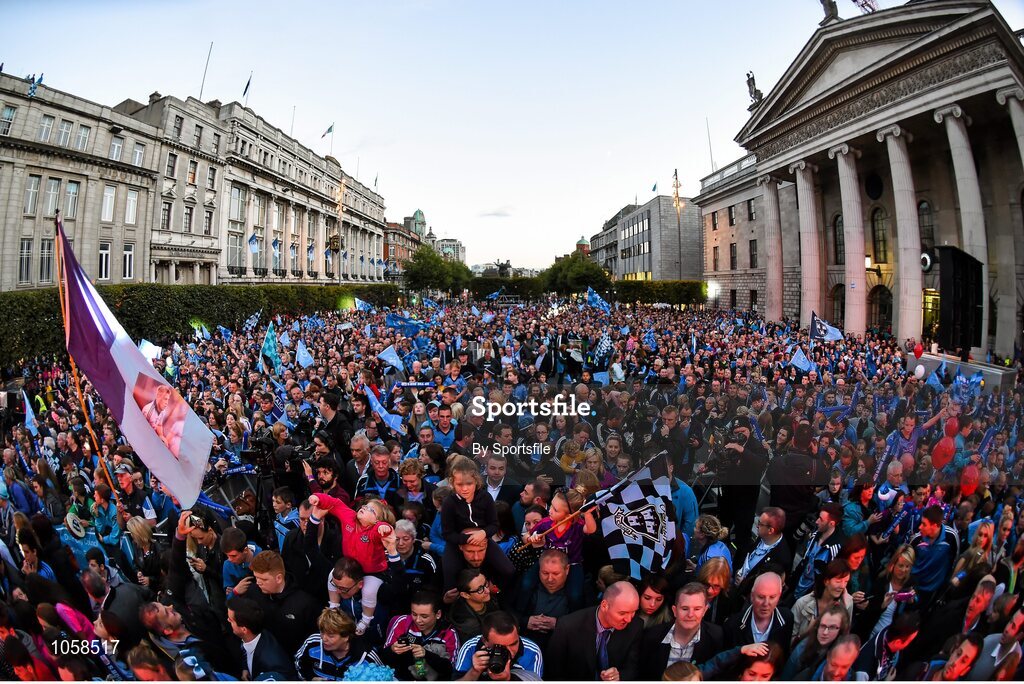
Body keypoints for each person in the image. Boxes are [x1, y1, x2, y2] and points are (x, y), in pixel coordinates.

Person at [310, 493, 394, 635]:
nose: (364, 508)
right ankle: (334, 607)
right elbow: (335, 503)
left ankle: (366, 619)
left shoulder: (375, 530)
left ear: (376, 520)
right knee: (332, 576)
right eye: (365, 506)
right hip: (351, 566)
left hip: (372, 571)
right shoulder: (349, 517)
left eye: (370, 510)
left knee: (369, 590)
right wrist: (319, 498)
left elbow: (386, 529)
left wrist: (385, 528)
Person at [545, 580, 642, 681]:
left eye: (633, 612)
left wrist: (620, 676)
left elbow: (633, 668)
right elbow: (553, 672)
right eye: (622, 613)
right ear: (604, 606)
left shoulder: (636, 626)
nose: (629, 619)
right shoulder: (568, 626)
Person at [639, 583, 727, 678]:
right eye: (685, 608)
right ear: (675, 611)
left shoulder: (716, 636)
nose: (690, 614)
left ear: (704, 611)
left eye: (697, 609)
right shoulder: (652, 636)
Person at [382, 590, 459, 681]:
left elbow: (451, 670)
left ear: (438, 614)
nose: (418, 620)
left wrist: (426, 654)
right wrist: (392, 650)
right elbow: (382, 658)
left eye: (424, 616)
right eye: (414, 614)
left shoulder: (449, 633)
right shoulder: (402, 622)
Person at [294, 607, 383, 681]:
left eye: (331, 635)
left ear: (346, 636)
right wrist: (310, 679)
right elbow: (299, 663)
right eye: (322, 632)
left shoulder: (367, 658)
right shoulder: (312, 643)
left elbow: (382, 677)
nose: (323, 638)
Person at [454, 610, 544, 681]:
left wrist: (509, 680)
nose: (509, 650)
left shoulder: (532, 651)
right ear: (485, 641)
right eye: (500, 646)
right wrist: (474, 671)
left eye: (513, 644)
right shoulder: (470, 647)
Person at [226, 595, 295, 679]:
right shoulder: (252, 634)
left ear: (244, 629)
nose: (228, 620)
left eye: (231, 620)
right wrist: (245, 668)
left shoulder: (272, 665)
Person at [725, 572, 794, 653]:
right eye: (761, 597)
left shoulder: (787, 619)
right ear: (752, 596)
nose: (766, 603)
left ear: (779, 596)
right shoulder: (733, 624)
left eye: (772, 597)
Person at [780, 604, 849, 680]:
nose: (825, 632)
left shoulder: (845, 654)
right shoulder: (802, 648)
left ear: (841, 630)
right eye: (823, 626)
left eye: (832, 627)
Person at [734, 507, 792, 597]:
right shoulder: (763, 536)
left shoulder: (782, 558)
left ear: (770, 530)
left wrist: (745, 584)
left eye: (760, 524)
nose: (757, 526)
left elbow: (767, 587)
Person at [853, 611, 920, 682]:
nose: (909, 644)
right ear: (898, 642)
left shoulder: (891, 631)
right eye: (909, 641)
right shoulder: (864, 670)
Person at [966, 606, 1023, 680]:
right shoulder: (988, 641)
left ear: (1019, 636)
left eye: (1013, 627)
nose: (1007, 629)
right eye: (1010, 622)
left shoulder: (1017, 663)